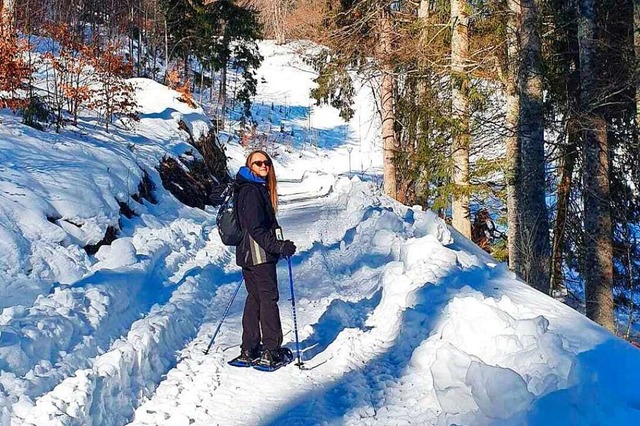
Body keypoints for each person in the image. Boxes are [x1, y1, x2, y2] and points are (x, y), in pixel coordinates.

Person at [234, 149, 297, 367]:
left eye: (266, 162)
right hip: (259, 255)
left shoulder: (249, 188)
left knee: (255, 299)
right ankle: (271, 351)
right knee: (268, 300)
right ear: (249, 166)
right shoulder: (251, 191)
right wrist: (279, 246)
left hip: (248, 255)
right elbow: (256, 229)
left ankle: (249, 349)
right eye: (258, 163)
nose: (263, 166)